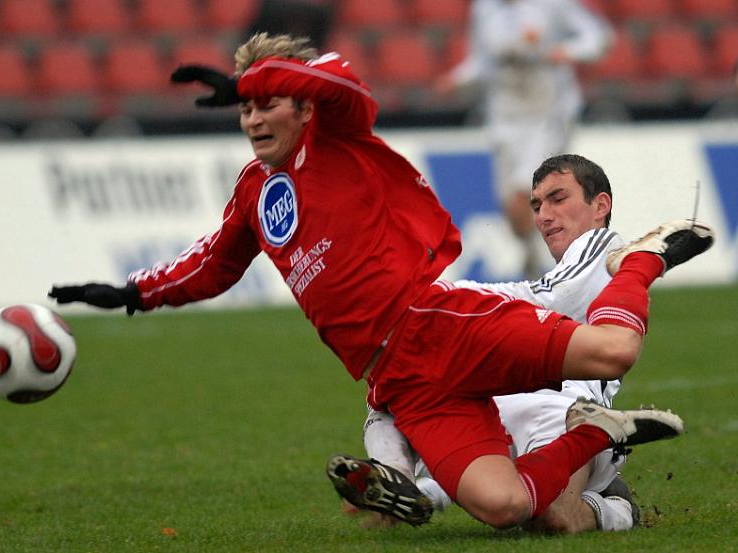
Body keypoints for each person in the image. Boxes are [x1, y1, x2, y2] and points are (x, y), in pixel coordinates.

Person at [48, 33, 714, 532]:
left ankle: (641, 260)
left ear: (299, 104)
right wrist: (133, 294)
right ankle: (597, 431)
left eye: (265, 103)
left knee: (613, 350)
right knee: (505, 504)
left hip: (438, 322)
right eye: (243, 109)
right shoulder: (254, 192)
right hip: (401, 381)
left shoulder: (335, 130)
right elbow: (210, 264)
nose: (252, 119)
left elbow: (343, 82)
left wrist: (263, 74)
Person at [353, 153, 639, 533]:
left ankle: (618, 508)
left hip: (566, 415)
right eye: (537, 205)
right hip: (493, 408)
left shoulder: (605, 250)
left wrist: (443, 302)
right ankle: (399, 479)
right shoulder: (552, 272)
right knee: (396, 382)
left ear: (600, 205)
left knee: (551, 518)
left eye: (558, 198)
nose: (543, 215)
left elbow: (550, 297)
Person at [434, 0, 613, 278]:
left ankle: (574, 269)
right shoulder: (484, 8)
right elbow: (482, 61)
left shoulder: (554, 5)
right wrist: (457, 80)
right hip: (505, 116)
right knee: (512, 211)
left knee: (526, 195)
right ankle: (533, 263)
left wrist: (567, 51)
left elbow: (598, 37)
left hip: (547, 113)